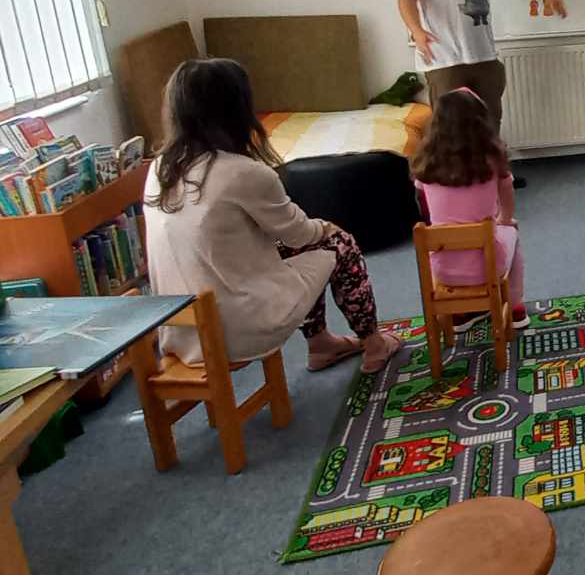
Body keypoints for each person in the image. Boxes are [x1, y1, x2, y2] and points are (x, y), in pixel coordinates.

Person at [143, 58, 403, 374]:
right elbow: (300, 234)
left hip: (181, 332)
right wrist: (325, 226)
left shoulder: (158, 169)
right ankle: (374, 344)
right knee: (339, 242)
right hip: (235, 329)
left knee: (294, 248)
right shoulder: (243, 172)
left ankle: (321, 344)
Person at [396, 0, 566, 191]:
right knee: (449, 132)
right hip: (445, 59)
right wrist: (416, 30)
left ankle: (494, 181)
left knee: (489, 125)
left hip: (484, 55)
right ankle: (452, 191)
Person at [410, 87, 530, 331]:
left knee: (457, 240)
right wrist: (505, 219)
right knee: (512, 232)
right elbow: (507, 194)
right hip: (489, 264)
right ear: (480, 122)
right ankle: (515, 307)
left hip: (443, 269)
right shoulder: (492, 157)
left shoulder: (425, 162)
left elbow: (423, 199)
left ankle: (462, 314)